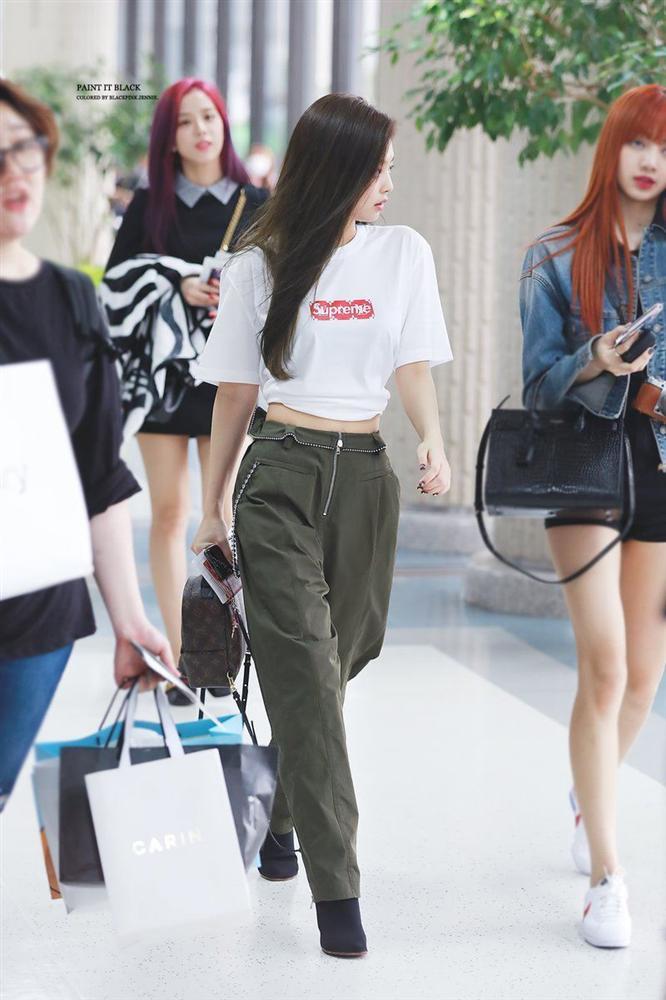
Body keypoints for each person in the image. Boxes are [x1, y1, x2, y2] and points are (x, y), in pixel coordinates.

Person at [191, 93, 453, 957]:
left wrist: (433, 439)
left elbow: (412, 362)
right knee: (305, 666)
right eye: (376, 170)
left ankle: (279, 813)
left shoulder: (403, 253)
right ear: (335, 170)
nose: (389, 184)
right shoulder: (257, 265)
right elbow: (235, 392)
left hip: (368, 475)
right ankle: (337, 893)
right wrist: (210, 507)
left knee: (344, 658)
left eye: (390, 169)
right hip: (281, 473)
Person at [0, 80, 174, 811]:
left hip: (37, 613)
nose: (13, 171)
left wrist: (128, 618)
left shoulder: (72, 300)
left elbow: (98, 473)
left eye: (23, 148)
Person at [521, 84, 666, 949]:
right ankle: (607, 879)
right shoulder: (554, 254)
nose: (652, 161)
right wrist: (595, 359)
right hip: (581, 465)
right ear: (613, 148)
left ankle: (590, 791)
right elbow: (537, 383)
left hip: (659, 466)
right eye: (640, 142)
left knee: (644, 676)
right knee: (604, 667)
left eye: (665, 147)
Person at [101, 79, 268, 700]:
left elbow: (282, 277)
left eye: (211, 117)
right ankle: (182, 660)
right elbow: (116, 282)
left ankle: (219, 651)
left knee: (221, 513)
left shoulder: (256, 201)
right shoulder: (152, 204)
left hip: (230, 378)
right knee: (169, 513)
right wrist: (176, 282)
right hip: (166, 379)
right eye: (186, 121)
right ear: (168, 137)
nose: (202, 131)